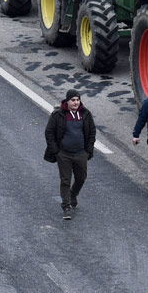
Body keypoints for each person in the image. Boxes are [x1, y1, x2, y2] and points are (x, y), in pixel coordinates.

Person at [43, 88, 96, 220]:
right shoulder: (58, 115)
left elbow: (92, 132)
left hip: (81, 153)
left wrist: (88, 150)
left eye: (78, 100)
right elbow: (49, 132)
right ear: (67, 101)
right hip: (64, 154)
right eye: (73, 100)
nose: (76, 102)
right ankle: (66, 207)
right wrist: (56, 151)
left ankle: (73, 195)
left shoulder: (85, 114)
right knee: (65, 180)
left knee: (81, 178)